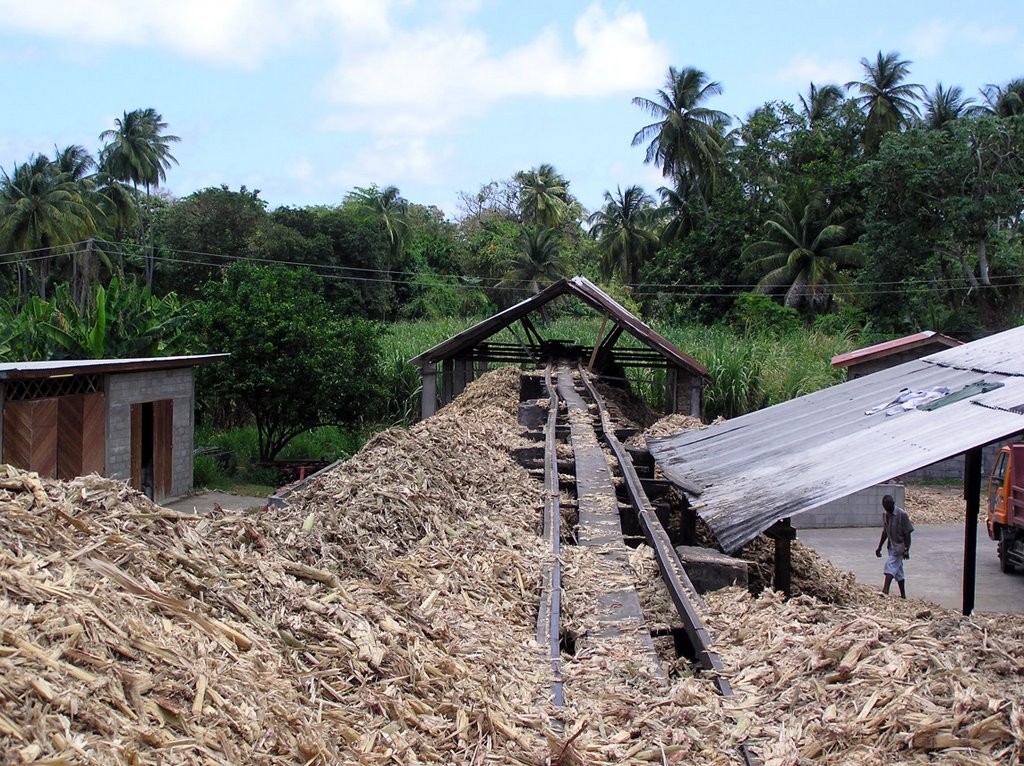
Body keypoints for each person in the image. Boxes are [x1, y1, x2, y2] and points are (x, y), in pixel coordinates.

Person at [875, 494, 914, 598]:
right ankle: (903, 596)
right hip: (891, 546)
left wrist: (906, 549)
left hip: (900, 547)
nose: (888, 509)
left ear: (893, 504)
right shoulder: (885, 515)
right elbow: (885, 532)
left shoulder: (902, 515)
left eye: (890, 506)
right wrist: (879, 547)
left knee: (889, 565)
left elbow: (907, 533)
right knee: (899, 572)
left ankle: (885, 590)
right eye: (886, 507)